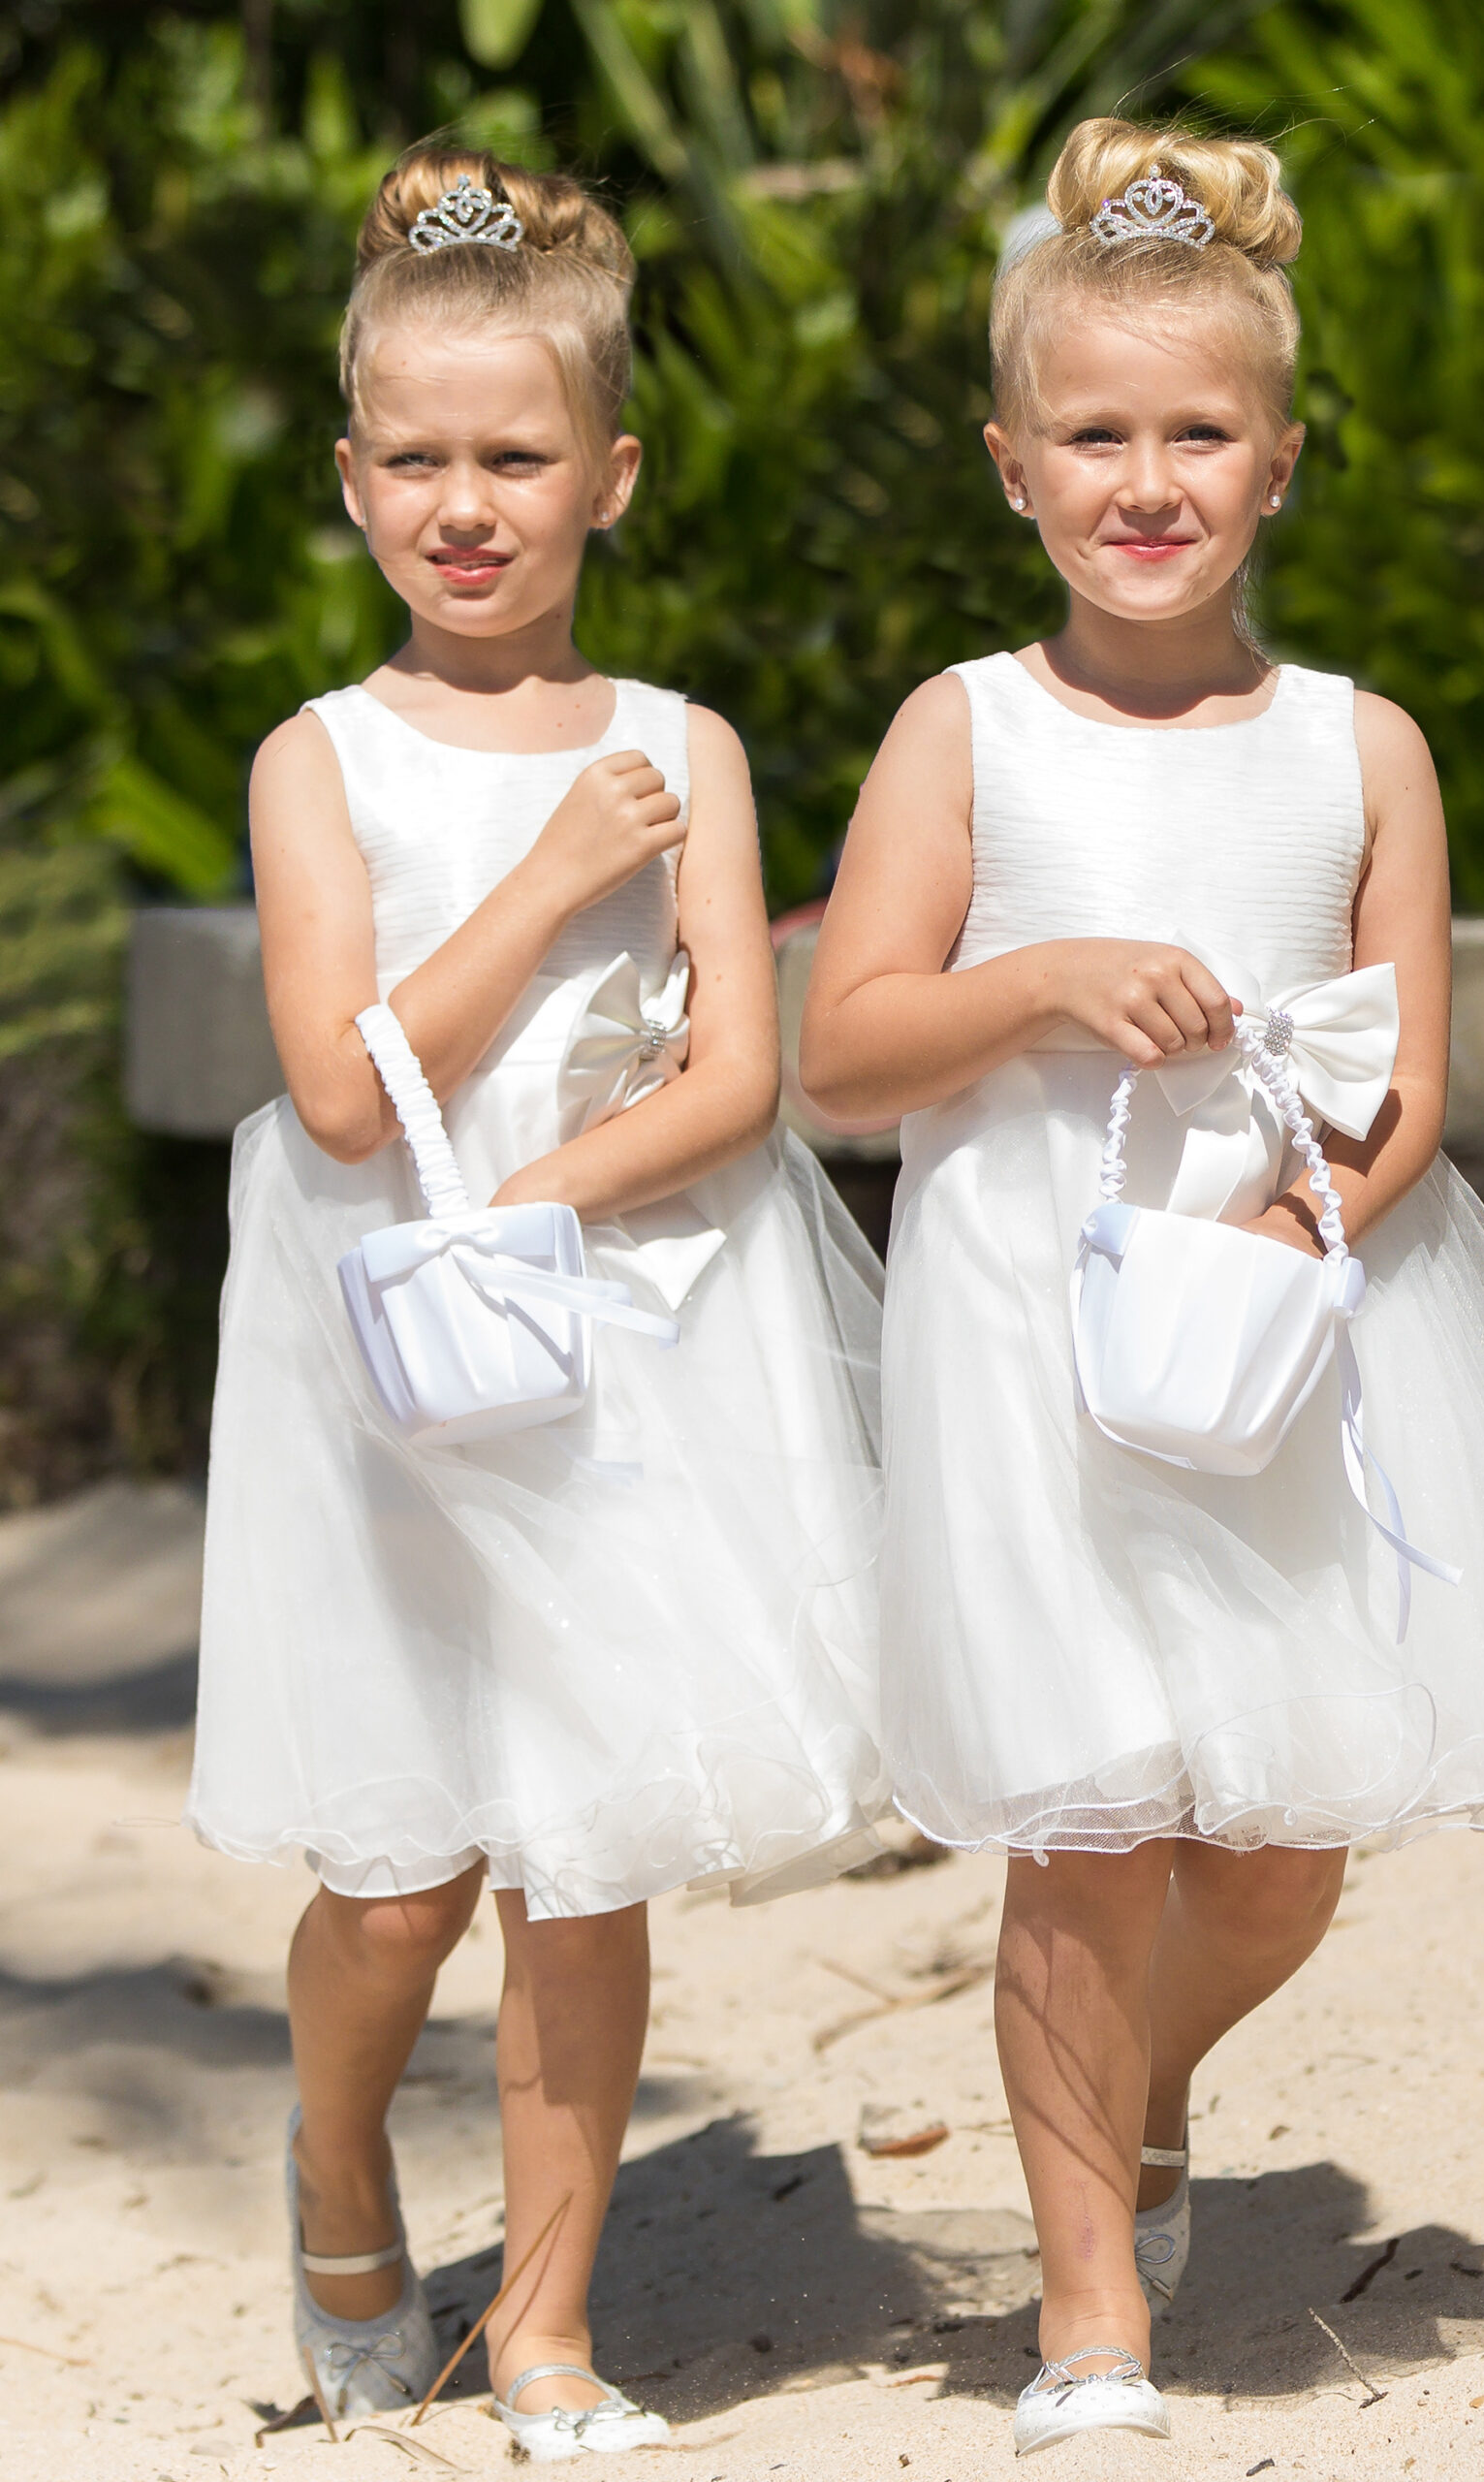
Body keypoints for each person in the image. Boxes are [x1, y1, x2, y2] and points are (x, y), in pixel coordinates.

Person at [801, 116, 1484, 2457]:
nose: (1143, 476)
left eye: (1195, 431)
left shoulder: (1355, 744)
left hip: (1280, 1330)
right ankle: (1092, 2316)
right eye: (1094, 433)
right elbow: (843, 1039)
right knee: (1083, 1819)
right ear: (1010, 463)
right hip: (1030, 1331)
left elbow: (1402, 1091)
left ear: (1277, 458)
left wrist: (1300, 1228)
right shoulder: (962, 729)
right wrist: (1046, 979)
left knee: (1274, 1849)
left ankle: (1148, 2075)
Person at [185, 144, 887, 2458]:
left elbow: (740, 1066)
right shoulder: (319, 761)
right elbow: (341, 1085)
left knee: (580, 1848)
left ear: (610, 470)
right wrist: (559, 870)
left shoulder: (686, 742)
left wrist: (565, 1196)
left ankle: (557, 2319)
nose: (462, 504)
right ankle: (335, 2155)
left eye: (512, 457)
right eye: (416, 459)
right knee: (398, 1878)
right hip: (378, 1336)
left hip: (616, 1322)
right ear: (350, 474)